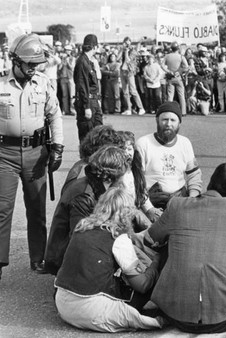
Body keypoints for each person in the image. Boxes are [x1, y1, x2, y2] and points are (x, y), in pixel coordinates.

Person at [146, 162, 226, 334]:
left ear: (211, 181)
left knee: (167, 242)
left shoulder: (177, 205)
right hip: (225, 317)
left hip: (176, 315)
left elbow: (151, 237)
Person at [54, 187, 164, 332]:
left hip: (62, 303)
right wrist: (156, 264)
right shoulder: (118, 238)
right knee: (146, 283)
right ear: (127, 212)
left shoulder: (82, 226)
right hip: (91, 310)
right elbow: (142, 285)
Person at [0, 33, 64, 279]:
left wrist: (58, 146)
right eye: (28, 64)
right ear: (15, 61)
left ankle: (38, 258)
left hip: (36, 153)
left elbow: (54, 114)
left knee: (37, 208)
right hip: (4, 154)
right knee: (2, 208)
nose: (33, 68)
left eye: (36, 64)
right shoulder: (2, 84)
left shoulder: (43, 82)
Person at [45, 145, 131, 275]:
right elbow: (80, 240)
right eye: (121, 176)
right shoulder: (83, 196)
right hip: (67, 260)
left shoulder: (96, 187)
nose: (122, 182)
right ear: (110, 176)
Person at [136, 101, 202, 209]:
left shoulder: (185, 143)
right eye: (165, 119)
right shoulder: (143, 143)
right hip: (151, 200)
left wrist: (192, 198)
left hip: (180, 198)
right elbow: (137, 181)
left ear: (179, 123)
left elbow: (194, 175)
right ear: (157, 120)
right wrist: (149, 209)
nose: (168, 124)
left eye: (173, 120)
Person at [74, 34, 103, 142]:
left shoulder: (88, 61)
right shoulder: (82, 62)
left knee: (99, 135)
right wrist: (86, 106)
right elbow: (82, 86)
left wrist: (97, 99)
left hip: (93, 100)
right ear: (94, 47)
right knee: (88, 137)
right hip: (88, 102)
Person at [119, 37, 146, 116]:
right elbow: (117, 58)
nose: (127, 45)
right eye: (125, 43)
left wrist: (127, 51)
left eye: (128, 43)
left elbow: (128, 60)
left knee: (133, 90)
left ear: (130, 43)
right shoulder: (122, 49)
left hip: (129, 72)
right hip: (122, 71)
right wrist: (122, 50)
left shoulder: (133, 51)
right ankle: (128, 109)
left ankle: (141, 108)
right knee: (125, 92)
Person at [161, 42, 188, 116]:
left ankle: (170, 110)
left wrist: (168, 71)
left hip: (170, 77)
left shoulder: (167, 56)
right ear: (178, 48)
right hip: (178, 77)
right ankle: (183, 112)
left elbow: (162, 65)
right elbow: (186, 67)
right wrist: (179, 72)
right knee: (181, 95)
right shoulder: (181, 56)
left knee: (170, 95)